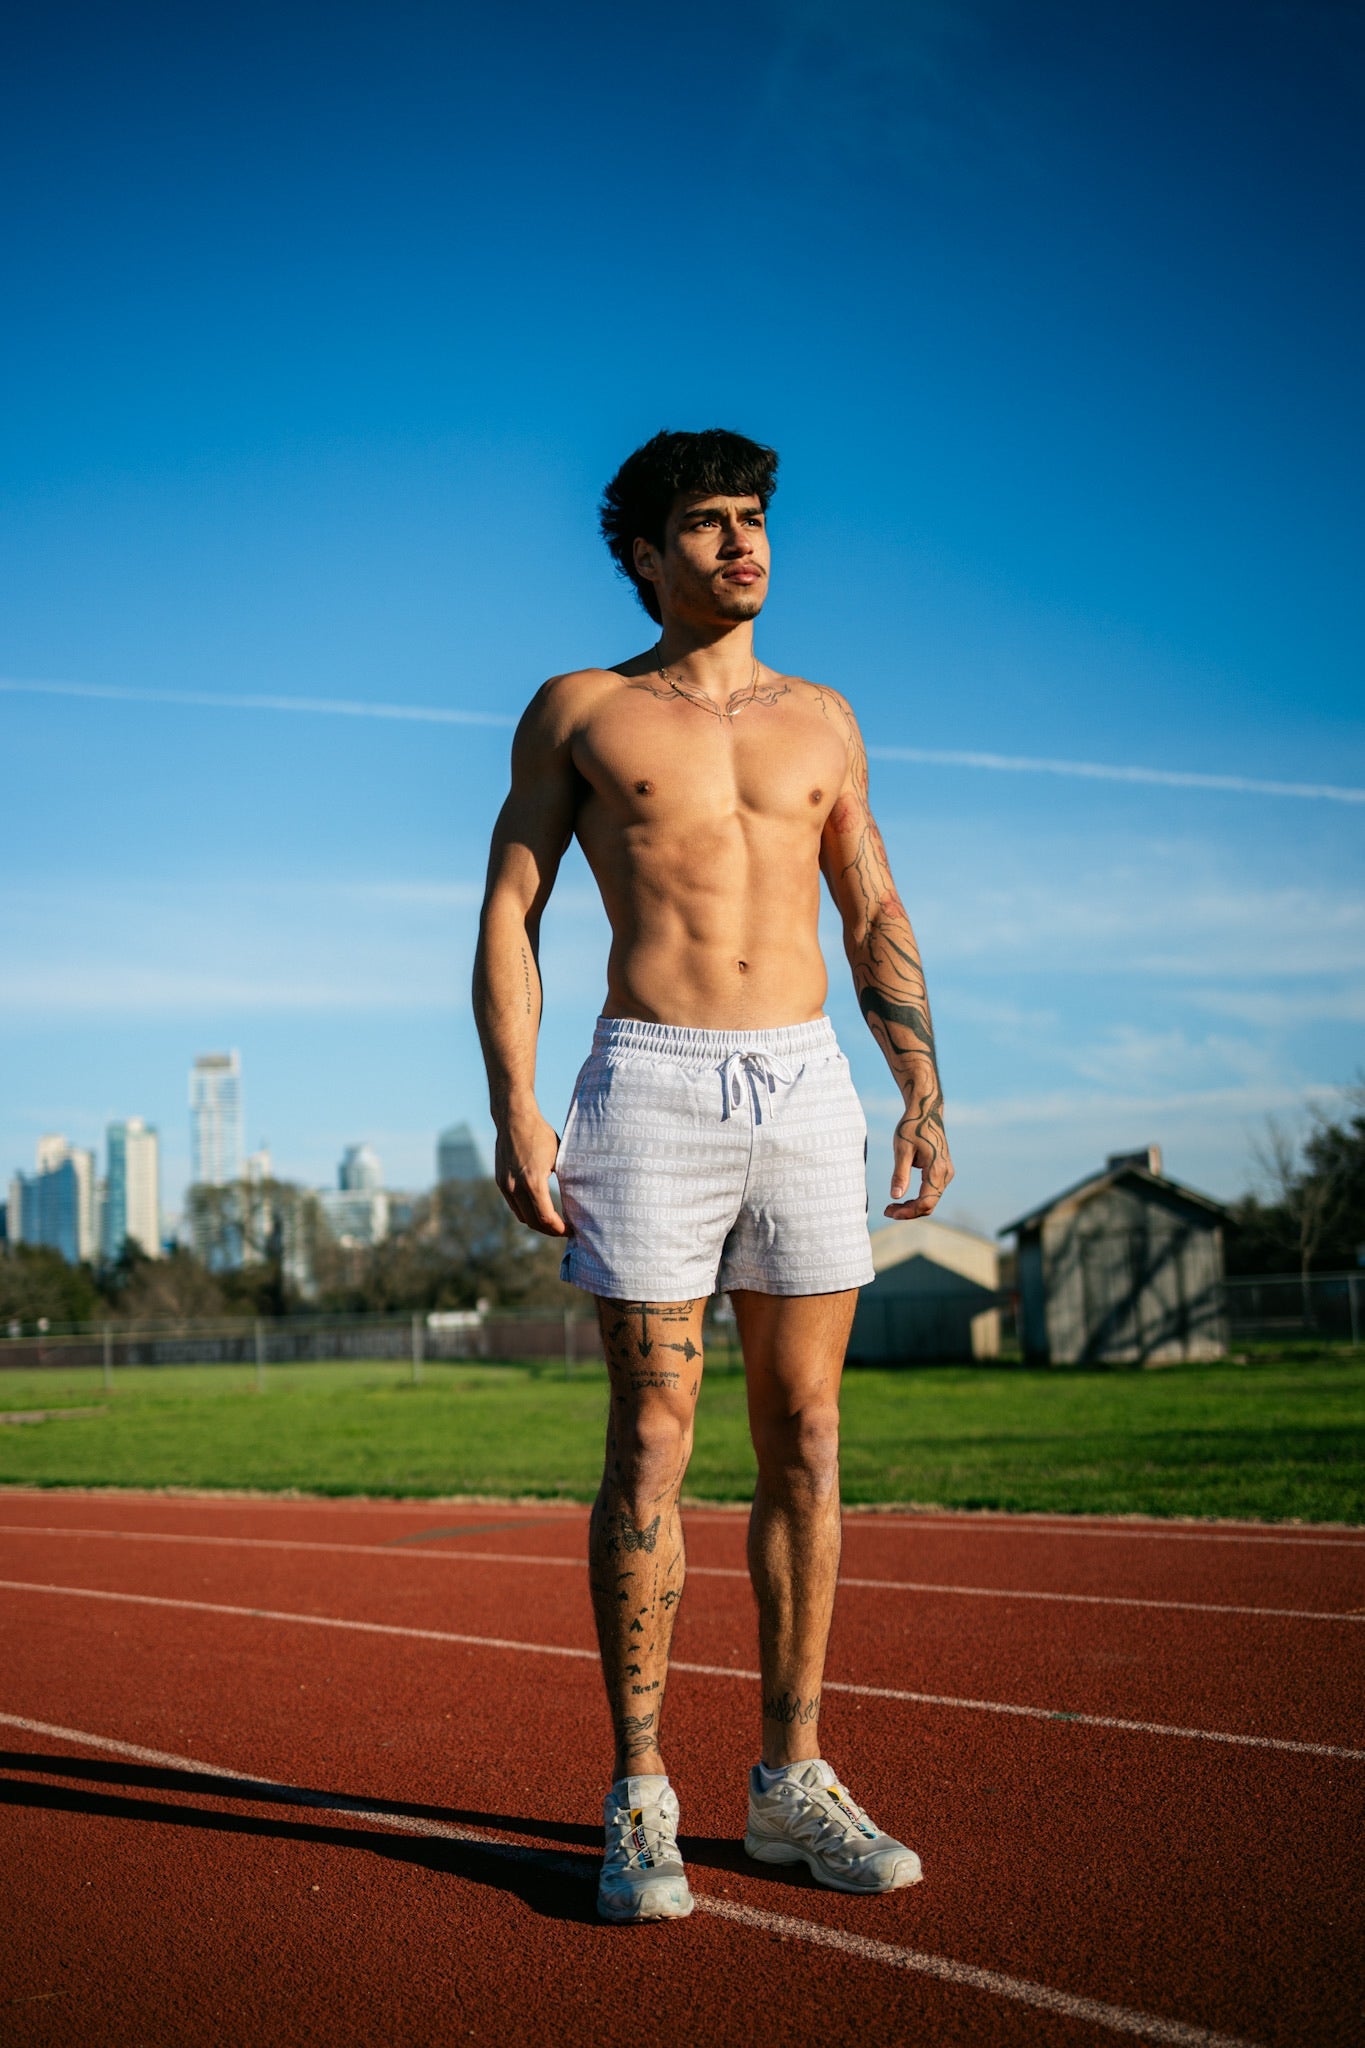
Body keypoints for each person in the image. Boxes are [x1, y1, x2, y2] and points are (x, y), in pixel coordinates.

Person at [473, 428, 952, 1923]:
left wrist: (920, 1081)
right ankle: (640, 1797)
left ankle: (789, 1782)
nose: (741, 543)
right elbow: (510, 908)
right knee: (654, 1440)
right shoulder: (583, 710)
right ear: (642, 553)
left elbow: (868, 895)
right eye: (704, 523)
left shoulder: (824, 721)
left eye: (753, 518)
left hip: (804, 1081)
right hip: (652, 1086)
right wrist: (514, 1104)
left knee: (805, 1436)